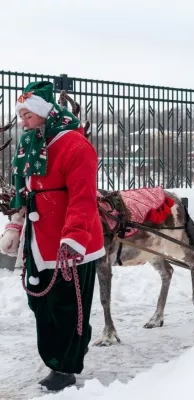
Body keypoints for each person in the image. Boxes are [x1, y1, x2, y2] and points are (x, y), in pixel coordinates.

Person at [10, 81, 105, 391]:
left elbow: (83, 198)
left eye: (27, 114)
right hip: (38, 242)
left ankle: (65, 366)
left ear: (43, 112)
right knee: (42, 305)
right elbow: (25, 191)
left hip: (69, 244)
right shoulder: (31, 144)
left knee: (68, 307)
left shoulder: (75, 146)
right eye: (21, 114)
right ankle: (55, 356)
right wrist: (15, 225)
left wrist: (73, 237)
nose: (22, 120)